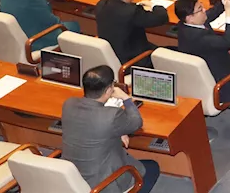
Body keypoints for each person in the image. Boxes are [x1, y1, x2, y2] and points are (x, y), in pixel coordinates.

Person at [61, 65, 162, 193]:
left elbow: (92, 125)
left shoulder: (68, 104)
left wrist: (117, 131)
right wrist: (126, 98)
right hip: (102, 186)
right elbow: (137, 123)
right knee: (152, 167)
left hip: (72, 178)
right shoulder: (112, 115)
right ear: (109, 90)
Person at [94, 0, 168, 70]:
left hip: (111, 55)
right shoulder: (133, 12)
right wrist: (153, 5)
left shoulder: (101, 4)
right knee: (169, 54)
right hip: (133, 61)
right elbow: (162, 17)